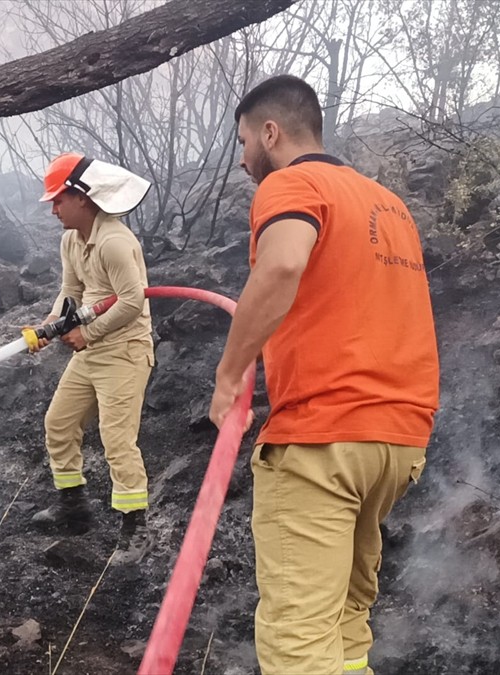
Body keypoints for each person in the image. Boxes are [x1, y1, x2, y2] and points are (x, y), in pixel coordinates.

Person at [209, 75, 440, 674]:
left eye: (242, 142)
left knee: (299, 643)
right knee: (345, 623)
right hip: (398, 440)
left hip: (323, 437)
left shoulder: (293, 182)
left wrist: (230, 374)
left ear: (270, 132)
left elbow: (283, 264)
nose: (242, 160)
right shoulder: (388, 203)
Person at [27, 152, 157, 564]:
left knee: (117, 441)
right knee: (59, 423)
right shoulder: (72, 240)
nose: (53, 209)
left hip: (124, 351)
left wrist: (89, 332)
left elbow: (133, 301)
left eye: (58, 199)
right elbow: (71, 292)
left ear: (82, 197)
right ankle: (73, 507)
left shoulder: (116, 242)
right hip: (92, 350)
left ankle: (136, 529)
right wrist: (50, 325)